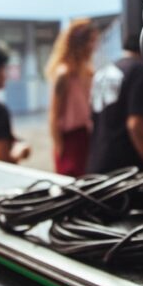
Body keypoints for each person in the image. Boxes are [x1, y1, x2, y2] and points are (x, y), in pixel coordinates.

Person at [87, 35, 143, 175]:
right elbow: (136, 125)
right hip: (127, 170)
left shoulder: (102, 72)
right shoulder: (140, 70)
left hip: (97, 164)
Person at [45, 19, 99, 176]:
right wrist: (59, 146)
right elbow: (53, 115)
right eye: (90, 41)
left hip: (87, 136)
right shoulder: (64, 73)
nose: (93, 46)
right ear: (78, 43)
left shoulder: (88, 72)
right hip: (70, 140)